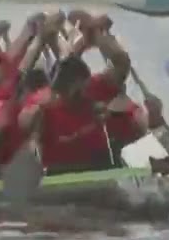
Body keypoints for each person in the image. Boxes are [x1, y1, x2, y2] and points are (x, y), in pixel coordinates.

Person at [17, 15, 132, 174]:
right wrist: (35, 116)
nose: (84, 93)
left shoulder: (93, 88)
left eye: (85, 87)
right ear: (62, 88)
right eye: (77, 90)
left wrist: (99, 34)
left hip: (98, 164)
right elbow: (23, 123)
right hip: (60, 171)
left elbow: (122, 64)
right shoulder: (43, 101)